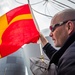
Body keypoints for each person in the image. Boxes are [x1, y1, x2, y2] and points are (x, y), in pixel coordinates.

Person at [40, 9, 75, 75]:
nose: (50, 34)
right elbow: (59, 58)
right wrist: (43, 40)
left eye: (52, 28)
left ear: (69, 27)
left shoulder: (71, 59)